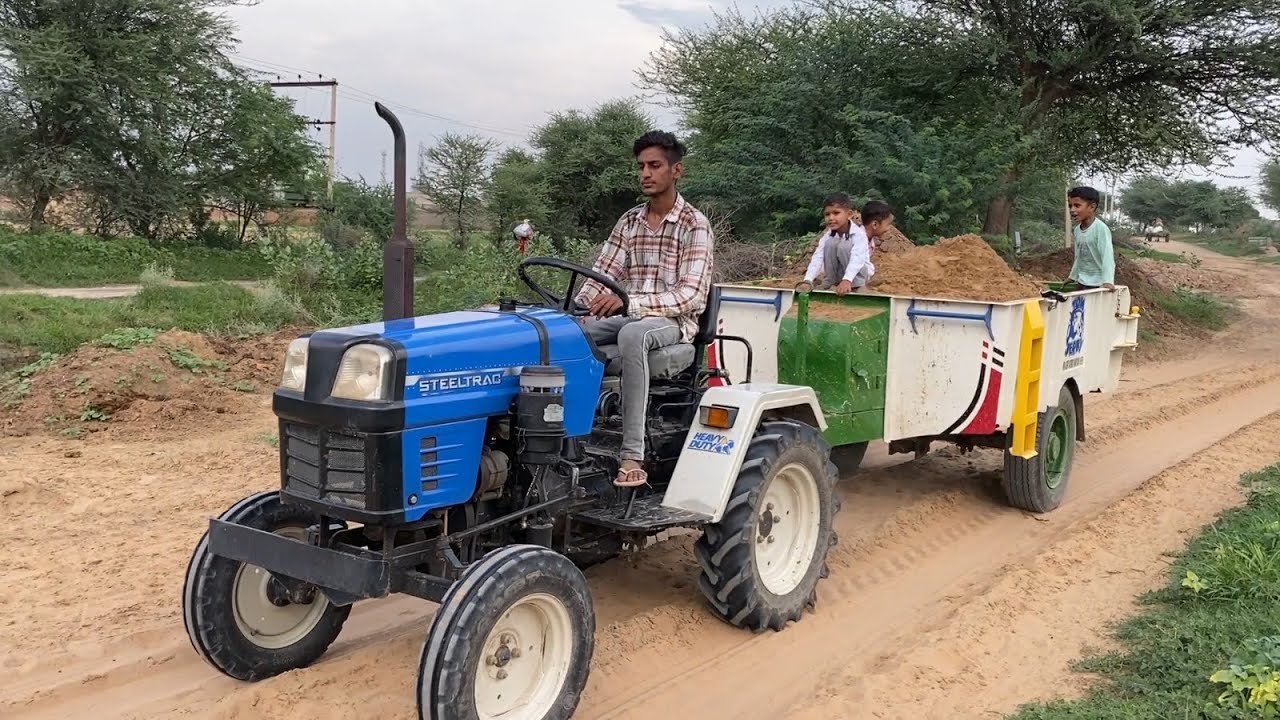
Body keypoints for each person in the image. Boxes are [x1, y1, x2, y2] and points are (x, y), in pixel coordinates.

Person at [574, 131, 714, 488]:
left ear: (676, 170)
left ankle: (632, 454)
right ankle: (567, 434)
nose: (645, 174)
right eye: (641, 167)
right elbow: (603, 274)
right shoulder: (630, 221)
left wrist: (630, 303)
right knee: (571, 336)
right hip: (630, 313)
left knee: (632, 333)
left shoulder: (694, 224)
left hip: (670, 323)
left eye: (654, 165)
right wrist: (577, 308)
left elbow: (692, 296)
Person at [796, 192, 873, 295]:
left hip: (858, 274)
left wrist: (847, 280)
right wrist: (808, 280)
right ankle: (830, 281)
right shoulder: (828, 236)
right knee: (831, 243)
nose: (831, 218)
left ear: (849, 215)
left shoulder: (859, 234)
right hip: (841, 274)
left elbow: (857, 258)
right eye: (827, 214)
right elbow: (818, 257)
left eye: (836, 213)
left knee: (844, 245)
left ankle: (857, 285)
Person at [1067, 186, 1115, 290]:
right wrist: (1072, 276)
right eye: (1070, 206)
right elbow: (1078, 256)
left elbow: (1107, 256)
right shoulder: (1077, 230)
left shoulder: (1100, 229)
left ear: (1092, 207)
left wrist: (1108, 281)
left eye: (1077, 205)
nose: (1072, 210)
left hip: (1098, 284)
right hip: (1082, 281)